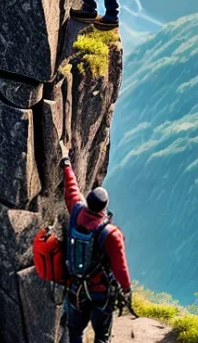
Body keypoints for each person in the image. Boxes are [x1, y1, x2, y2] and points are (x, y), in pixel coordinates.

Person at [60, 144, 131, 343]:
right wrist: (126, 288)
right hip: (100, 292)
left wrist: (66, 160)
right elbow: (120, 267)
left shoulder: (76, 211)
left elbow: (71, 187)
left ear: (89, 201)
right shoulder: (110, 233)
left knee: (75, 332)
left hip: (76, 288)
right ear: (104, 207)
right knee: (101, 336)